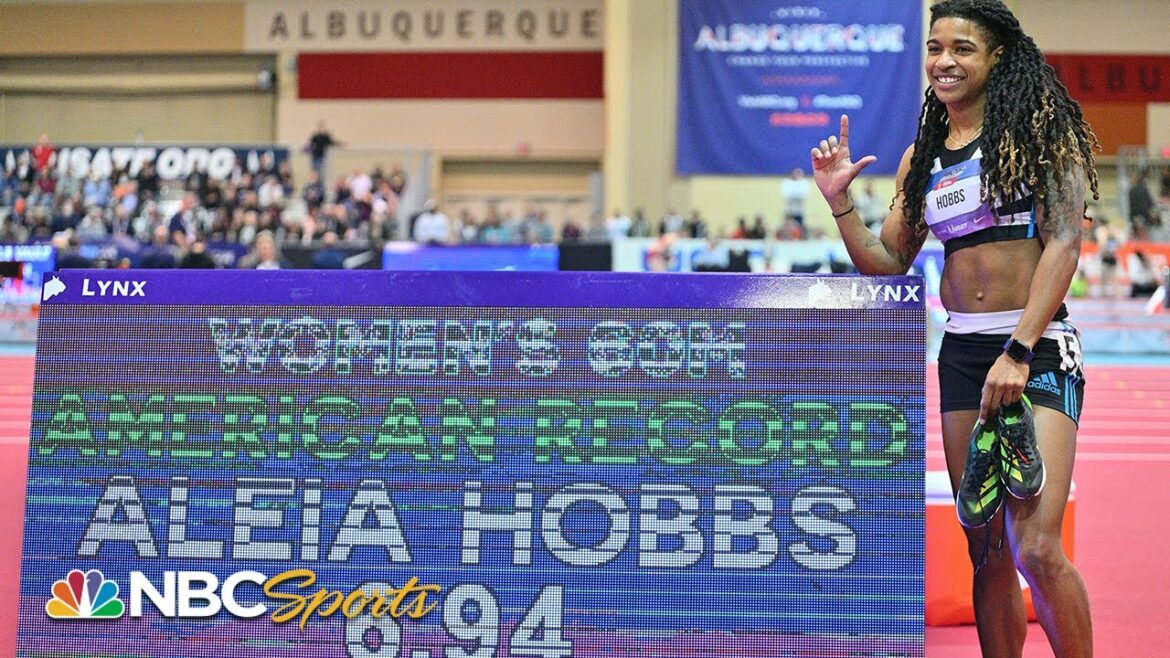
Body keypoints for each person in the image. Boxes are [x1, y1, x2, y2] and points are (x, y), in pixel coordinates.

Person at [809, 2, 1097, 656]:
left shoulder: (1042, 136)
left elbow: (1064, 245)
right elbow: (888, 261)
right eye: (935, 48)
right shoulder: (923, 159)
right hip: (963, 353)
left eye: (962, 48)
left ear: (997, 57)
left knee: (1037, 547)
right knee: (986, 550)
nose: (945, 61)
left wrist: (1018, 350)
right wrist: (840, 203)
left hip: (1036, 348)